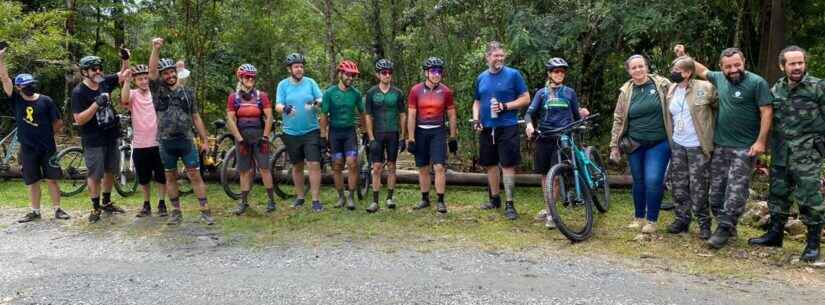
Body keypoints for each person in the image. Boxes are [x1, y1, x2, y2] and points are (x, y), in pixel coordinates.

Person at [674, 45, 773, 249]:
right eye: (728, 66)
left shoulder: (757, 83)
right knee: (716, 193)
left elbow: (766, 112)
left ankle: (724, 229)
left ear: (743, 62)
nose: (733, 69)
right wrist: (683, 56)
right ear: (722, 67)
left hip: (745, 147)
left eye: (737, 65)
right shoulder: (719, 78)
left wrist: (761, 141)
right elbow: (700, 70)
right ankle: (727, 225)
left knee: (736, 189)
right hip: (720, 145)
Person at [748, 46, 823, 262]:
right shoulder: (777, 89)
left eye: (800, 62)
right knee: (778, 194)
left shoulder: (818, 87)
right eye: (792, 63)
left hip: (807, 154)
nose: (797, 67)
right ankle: (775, 235)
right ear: (783, 66)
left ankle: (812, 244)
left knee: (810, 198)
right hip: (781, 152)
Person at [148, 37, 213, 225]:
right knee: (170, 176)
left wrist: (205, 140)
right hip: (166, 141)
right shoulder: (157, 90)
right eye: (165, 74)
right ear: (162, 76)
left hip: (186, 140)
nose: (169, 76)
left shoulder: (187, 92)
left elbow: (196, 117)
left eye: (171, 72)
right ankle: (176, 211)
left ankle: (205, 209)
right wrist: (155, 48)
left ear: (176, 72)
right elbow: (151, 71)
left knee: (195, 174)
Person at [0, 47, 70, 223]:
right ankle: (35, 211)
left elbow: (58, 122)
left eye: (31, 84)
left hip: (47, 147)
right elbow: (5, 79)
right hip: (28, 149)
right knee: (32, 181)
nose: (30, 87)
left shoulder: (46, 100)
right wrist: (1, 59)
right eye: (26, 86)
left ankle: (58, 209)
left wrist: (47, 135)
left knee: (52, 179)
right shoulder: (16, 99)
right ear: (19, 87)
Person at [609, 54, 672, 234]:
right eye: (634, 67)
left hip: (659, 142)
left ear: (646, 67)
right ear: (629, 71)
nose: (638, 70)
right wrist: (614, 145)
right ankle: (638, 217)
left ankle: (651, 220)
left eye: (641, 66)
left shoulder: (662, 85)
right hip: (634, 143)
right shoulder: (626, 91)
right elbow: (619, 119)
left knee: (654, 180)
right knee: (638, 181)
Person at [525, 57, 589, 228]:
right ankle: (549, 207)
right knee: (545, 176)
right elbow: (529, 113)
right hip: (544, 137)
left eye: (562, 71)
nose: (559, 74)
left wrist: (582, 116)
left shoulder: (569, 93)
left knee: (555, 177)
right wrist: (530, 126)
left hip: (562, 139)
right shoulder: (542, 93)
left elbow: (576, 115)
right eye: (556, 71)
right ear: (549, 74)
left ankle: (552, 213)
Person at [472, 41, 531, 220]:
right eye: (496, 55)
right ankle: (495, 198)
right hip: (487, 127)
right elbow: (476, 101)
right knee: (490, 164)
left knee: (507, 165)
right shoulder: (481, 77)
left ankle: (510, 204)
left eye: (501, 55)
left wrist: (505, 106)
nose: (499, 58)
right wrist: (476, 119)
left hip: (508, 126)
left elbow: (526, 98)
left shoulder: (513, 75)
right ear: (487, 57)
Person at [663, 56, 717, 239]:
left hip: (697, 146)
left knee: (699, 186)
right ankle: (682, 219)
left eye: (678, 70)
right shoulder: (671, 90)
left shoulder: (705, 88)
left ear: (688, 73)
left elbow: (718, 108)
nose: (674, 73)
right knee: (678, 185)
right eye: (673, 69)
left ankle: (704, 223)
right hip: (678, 144)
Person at [71, 54, 129, 223]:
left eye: (99, 68)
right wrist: (96, 104)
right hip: (93, 139)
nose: (98, 71)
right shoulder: (79, 92)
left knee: (110, 170)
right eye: (93, 69)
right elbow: (79, 119)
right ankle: (95, 207)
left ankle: (107, 201)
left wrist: (126, 59)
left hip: (111, 134)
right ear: (84, 72)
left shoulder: (104, 82)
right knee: (95, 175)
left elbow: (124, 74)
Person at [407, 57, 458, 214]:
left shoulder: (445, 91)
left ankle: (441, 200)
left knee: (439, 166)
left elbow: (452, 115)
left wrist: (453, 137)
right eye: (433, 71)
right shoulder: (415, 90)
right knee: (422, 167)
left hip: (437, 131)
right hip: (420, 131)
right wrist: (411, 137)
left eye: (439, 71)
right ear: (426, 73)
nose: (436, 74)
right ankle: (424, 199)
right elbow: (411, 115)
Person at [275, 53, 325, 212]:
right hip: (291, 132)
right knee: (297, 166)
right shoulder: (283, 85)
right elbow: (277, 105)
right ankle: (300, 197)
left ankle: (316, 200)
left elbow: (321, 98)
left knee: (314, 164)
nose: (299, 69)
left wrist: (317, 102)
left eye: (301, 66)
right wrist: (285, 108)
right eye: (296, 67)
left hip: (311, 130)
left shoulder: (310, 82)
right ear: (290, 69)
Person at [226, 64, 277, 215]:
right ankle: (244, 202)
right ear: (240, 78)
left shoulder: (262, 96)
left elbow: (269, 117)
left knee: (265, 168)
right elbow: (230, 120)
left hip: (259, 136)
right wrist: (239, 139)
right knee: (244, 170)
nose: (250, 79)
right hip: (242, 137)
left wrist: (266, 137)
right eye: (247, 77)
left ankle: (271, 201)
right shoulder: (233, 97)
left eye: (252, 77)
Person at [120, 64, 168, 218]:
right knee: (143, 177)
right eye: (140, 79)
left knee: (161, 175)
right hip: (140, 143)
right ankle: (146, 204)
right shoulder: (133, 94)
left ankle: (162, 202)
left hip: (158, 142)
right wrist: (126, 81)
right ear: (135, 81)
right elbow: (124, 98)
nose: (144, 81)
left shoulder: (156, 93)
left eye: (146, 78)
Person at [320, 60, 364, 210]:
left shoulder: (356, 94)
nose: (350, 78)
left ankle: (351, 196)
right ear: (340, 74)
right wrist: (322, 135)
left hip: (349, 132)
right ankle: (341, 196)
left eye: (353, 76)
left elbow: (363, 113)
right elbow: (324, 115)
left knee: (352, 164)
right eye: (347, 75)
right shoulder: (330, 93)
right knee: (337, 165)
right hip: (335, 133)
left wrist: (364, 131)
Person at [364, 59, 406, 213]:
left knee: (392, 165)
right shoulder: (371, 93)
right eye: (384, 72)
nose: (387, 75)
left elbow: (402, 114)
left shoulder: (398, 93)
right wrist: (371, 137)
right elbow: (368, 115)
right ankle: (375, 201)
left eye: (389, 72)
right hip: (378, 133)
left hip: (393, 133)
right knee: (376, 167)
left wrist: (403, 136)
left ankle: (390, 197)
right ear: (378, 75)